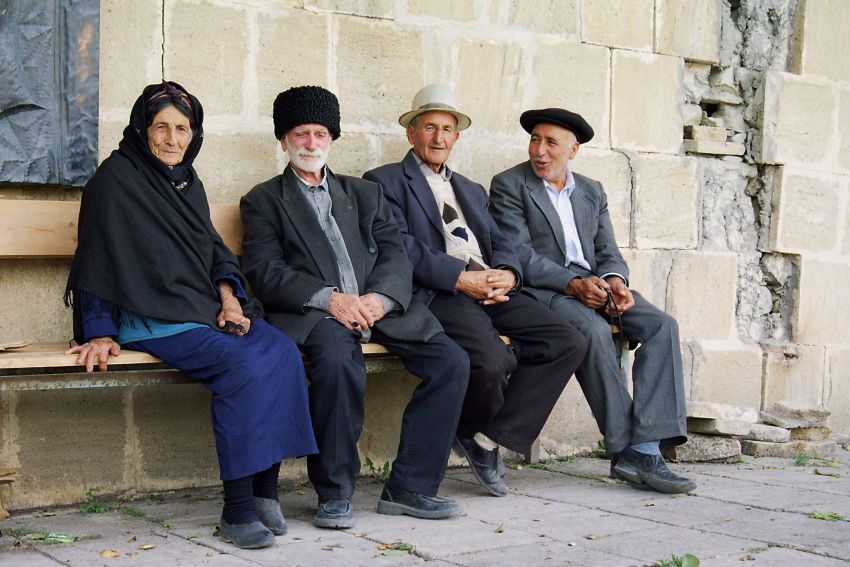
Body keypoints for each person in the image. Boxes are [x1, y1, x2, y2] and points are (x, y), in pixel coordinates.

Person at [64, 82, 317, 549]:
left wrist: (229, 298)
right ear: (143, 128)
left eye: (182, 128)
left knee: (280, 350)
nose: (172, 138)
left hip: (199, 308)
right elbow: (96, 258)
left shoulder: (187, 182)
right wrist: (98, 331)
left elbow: (211, 249)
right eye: (161, 127)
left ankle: (265, 492)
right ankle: (238, 510)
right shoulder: (114, 180)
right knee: (240, 365)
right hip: (148, 317)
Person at [239, 86, 469, 529]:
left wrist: (379, 299)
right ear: (283, 141)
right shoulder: (264, 200)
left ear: (332, 138)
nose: (311, 143)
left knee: (452, 362)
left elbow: (394, 254)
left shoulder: (365, 194)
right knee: (340, 365)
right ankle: (335, 492)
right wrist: (331, 299)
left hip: (379, 307)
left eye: (320, 133)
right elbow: (266, 272)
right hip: (316, 314)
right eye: (301, 134)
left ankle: (410, 487)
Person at [363, 84, 587, 497]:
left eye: (447, 129)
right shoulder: (384, 181)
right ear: (411, 133)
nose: (438, 137)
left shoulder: (471, 188)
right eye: (429, 127)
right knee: (489, 359)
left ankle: (487, 439)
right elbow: (397, 245)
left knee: (568, 340)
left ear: (456, 137)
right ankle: (470, 430)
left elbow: (500, 241)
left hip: (491, 286)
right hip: (443, 291)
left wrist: (508, 274)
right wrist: (459, 277)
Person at [489, 108, 695, 494]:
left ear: (574, 149)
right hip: (547, 290)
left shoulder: (591, 190)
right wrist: (573, 284)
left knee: (661, 325)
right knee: (594, 331)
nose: (540, 150)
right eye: (535, 139)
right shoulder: (509, 185)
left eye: (551, 142)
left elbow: (607, 249)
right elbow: (519, 254)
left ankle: (649, 443)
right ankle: (629, 452)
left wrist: (615, 280)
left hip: (596, 286)